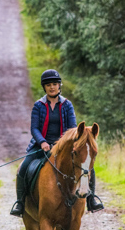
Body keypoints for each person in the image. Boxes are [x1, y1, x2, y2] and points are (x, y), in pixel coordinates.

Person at [10, 69, 105, 217]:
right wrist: (42, 142)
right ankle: (20, 203)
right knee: (23, 167)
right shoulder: (38, 105)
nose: (52, 87)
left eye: (54, 84)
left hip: (62, 147)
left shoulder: (67, 105)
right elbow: (34, 128)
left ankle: (91, 199)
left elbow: (72, 128)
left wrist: (60, 144)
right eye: (48, 85)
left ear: (59, 86)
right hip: (41, 145)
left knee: (88, 169)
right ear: (44, 87)